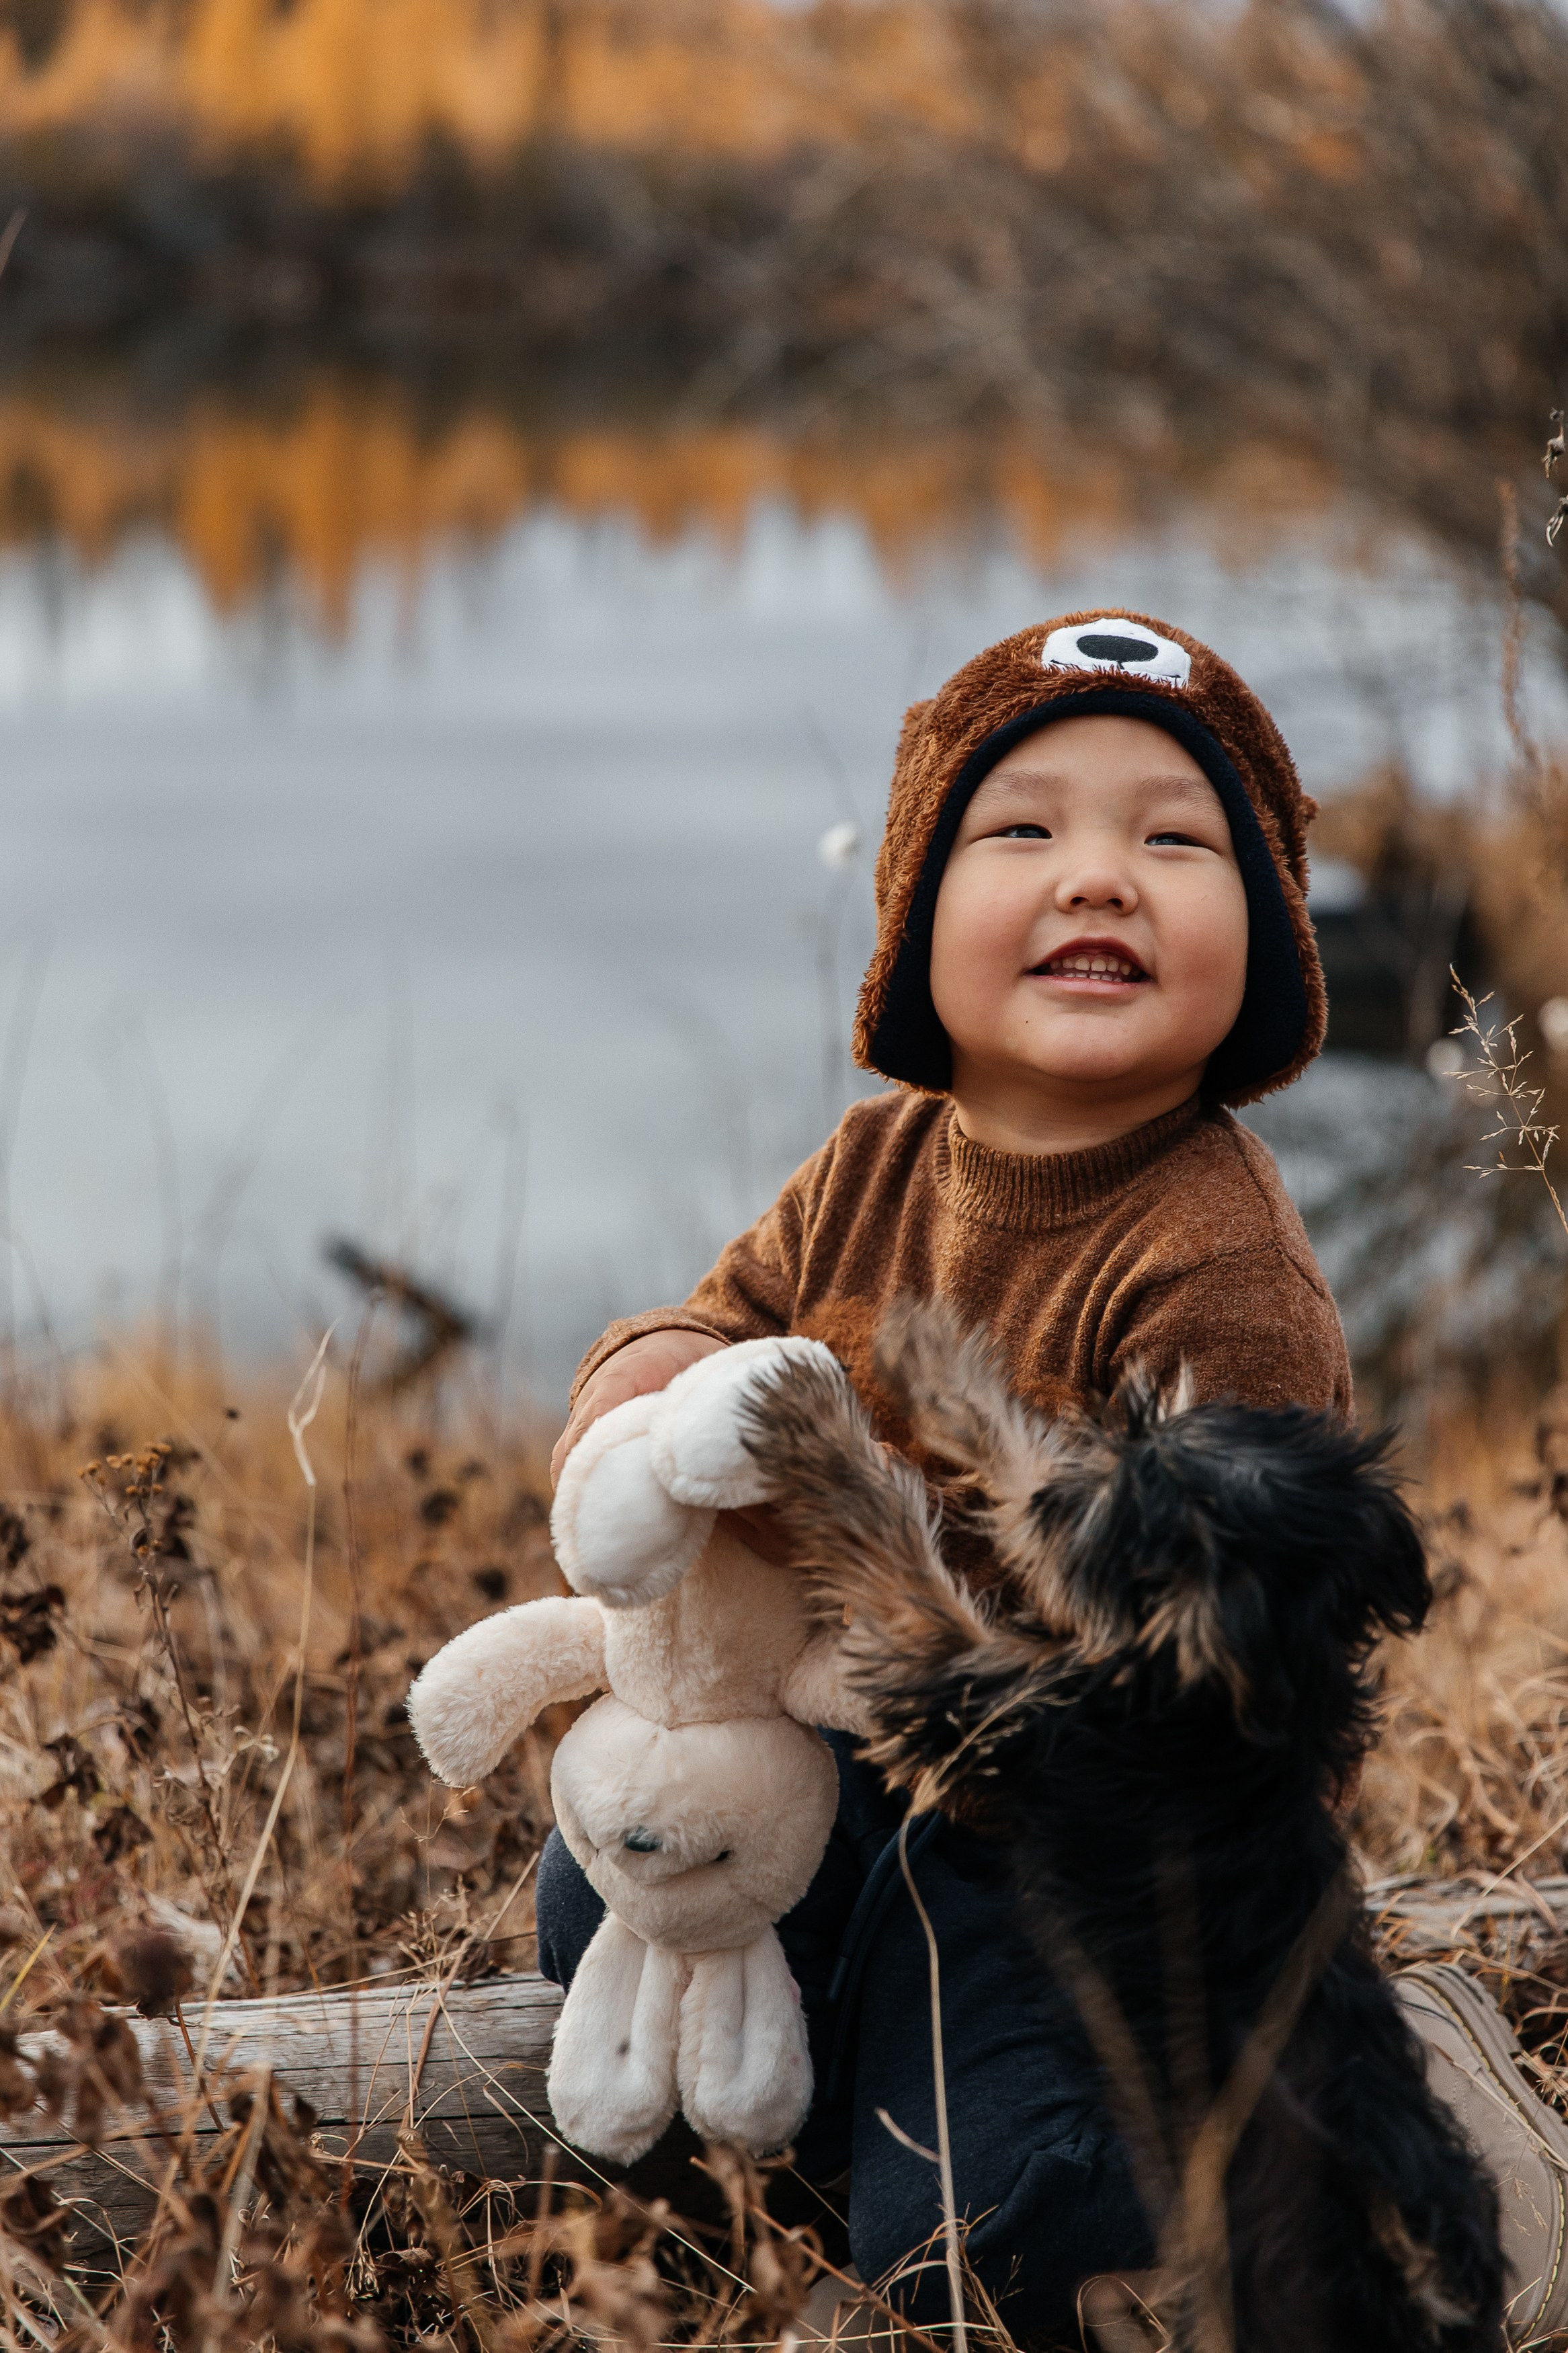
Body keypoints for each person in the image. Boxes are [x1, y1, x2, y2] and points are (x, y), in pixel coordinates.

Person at [536, 613, 1568, 2340]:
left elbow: (1193, 1698)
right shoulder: (874, 1158)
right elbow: (717, 1317)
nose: (1101, 877)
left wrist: (867, 1548)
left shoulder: (1217, 1265)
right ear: (915, 923)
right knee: (611, 1866)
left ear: (1269, 943)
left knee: (1005, 2214)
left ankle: (1005, 2190)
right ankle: (773, 2151)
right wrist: (638, 1388)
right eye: (1023, 831)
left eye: (1175, 841)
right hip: (843, 1770)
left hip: (1080, 1867)